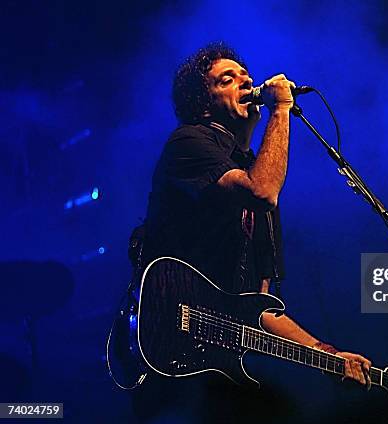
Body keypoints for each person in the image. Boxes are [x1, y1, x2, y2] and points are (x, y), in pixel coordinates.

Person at [135, 42, 370, 422]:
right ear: (204, 103)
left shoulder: (255, 168)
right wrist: (280, 110)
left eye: (246, 76)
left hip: (215, 367)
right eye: (227, 80)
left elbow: (259, 308)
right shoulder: (189, 141)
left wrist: (327, 355)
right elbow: (263, 191)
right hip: (166, 342)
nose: (245, 84)